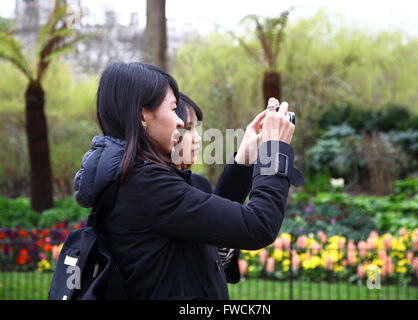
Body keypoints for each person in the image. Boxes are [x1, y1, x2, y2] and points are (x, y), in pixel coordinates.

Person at [73, 62, 305, 299]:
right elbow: (258, 225)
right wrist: (273, 151)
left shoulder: (133, 180)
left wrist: (245, 158)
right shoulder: (145, 184)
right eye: (173, 110)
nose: (181, 123)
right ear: (143, 115)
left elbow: (209, 224)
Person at [173, 92, 248, 284]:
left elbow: (218, 263)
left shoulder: (199, 184)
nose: (198, 138)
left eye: (197, 129)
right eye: (188, 129)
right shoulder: (157, 192)